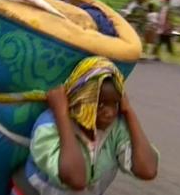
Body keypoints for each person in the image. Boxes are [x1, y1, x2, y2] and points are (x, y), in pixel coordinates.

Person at [11, 56, 159, 195]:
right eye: (100, 104)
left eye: (114, 103)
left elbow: (147, 169)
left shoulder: (115, 128)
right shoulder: (49, 126)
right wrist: (62, 114)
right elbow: (75, 179)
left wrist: (129, 112)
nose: (109, 113)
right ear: (81, 98)